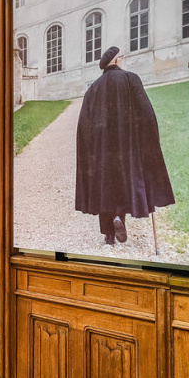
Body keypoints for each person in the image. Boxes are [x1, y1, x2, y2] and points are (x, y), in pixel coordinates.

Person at [75, 46, 175, 245]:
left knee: (105, 185)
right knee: (122, 182)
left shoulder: (93, 89)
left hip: (102, 149)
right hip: (127, 146)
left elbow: (83, 125)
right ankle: (119, 216)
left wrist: (89, 149)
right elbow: (147, 114)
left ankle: (109, 234)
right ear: (116, 60)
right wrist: (149, 138)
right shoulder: (131, 79)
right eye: (121, 56)